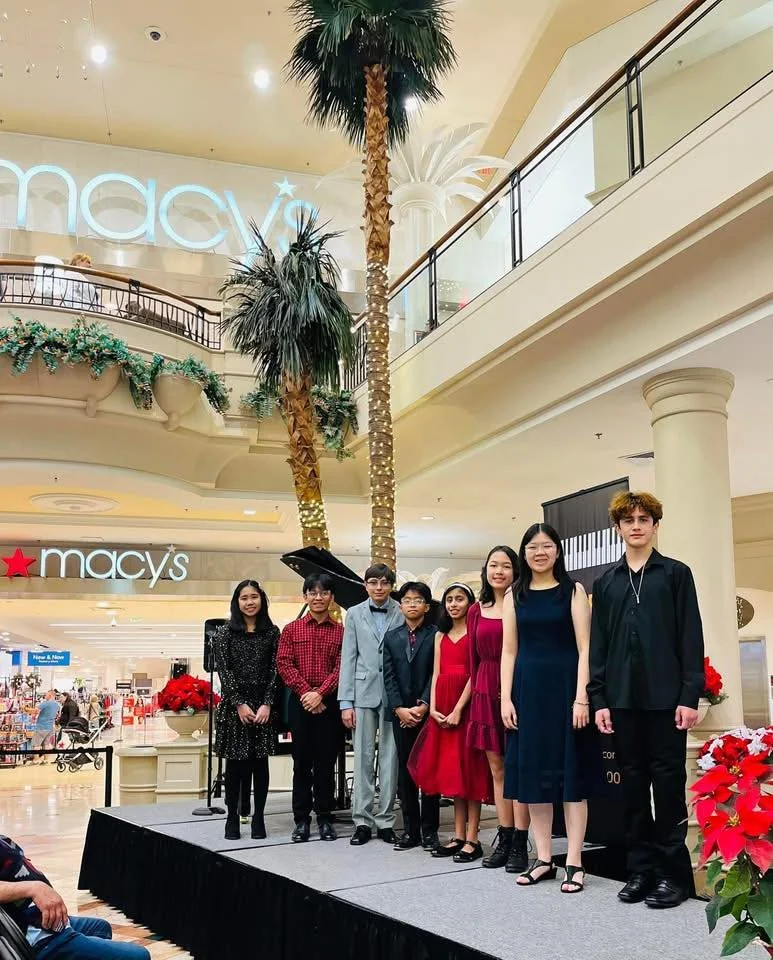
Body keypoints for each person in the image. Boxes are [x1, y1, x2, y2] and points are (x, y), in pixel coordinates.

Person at [588, 491, 704, 909]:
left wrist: (689, 695)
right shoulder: (606, 582)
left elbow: (690, 636)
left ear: (655, 525)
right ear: (618, 527)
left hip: (666, 702)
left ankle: (674, 877)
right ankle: (640, 871)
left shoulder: (676, 574)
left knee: (669, 789)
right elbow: (598, 645)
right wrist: (598, 698)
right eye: (629, 520)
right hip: (621, 701)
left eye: (644, 519)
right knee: (632, 790)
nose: (636, 526)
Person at [502, 523, 602, 892]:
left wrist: (581, 697)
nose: (539, 552)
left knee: (571, 778)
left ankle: (574, 861)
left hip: (566, 691)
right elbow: (508, 651)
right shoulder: (514, 594)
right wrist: (505, 697)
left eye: (546, 546)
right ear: (524, 553)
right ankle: (543, 858)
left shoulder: (572, 591)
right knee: (534, 779)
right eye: (532, 546)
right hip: (527, 692)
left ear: (557, 551)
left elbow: (585, 648)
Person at [409, 583, 493, 862]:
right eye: (449, 600)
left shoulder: (475, 632)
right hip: (442, 706)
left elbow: (475, 673)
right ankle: (458, 835)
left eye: (459, 599)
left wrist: (458, 709)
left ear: (470, 603)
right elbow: (436, 673)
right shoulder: (440, 635)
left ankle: (473, 838)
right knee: (453, 773)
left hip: (467, 707)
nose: (454, 604)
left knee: (471, 772)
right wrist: (433, 707)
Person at [466, 545, 531, 870]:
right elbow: (473, 660)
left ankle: (521, 840)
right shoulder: (476, 610)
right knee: (498, 769)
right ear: (486, 570)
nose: (499, 571)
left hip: (517, 688)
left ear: (516, 571)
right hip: (484, 689)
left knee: (519, 767)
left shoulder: (524, 603)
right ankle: (504, 838)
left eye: (506, 566)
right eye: (494, 565)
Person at [0, 833, 150, 959]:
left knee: (101, 928)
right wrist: (33, 888)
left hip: (36, 918)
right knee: (139, 956)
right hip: (38, 936)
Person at [338, 563, 403, 846]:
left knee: (390, 759)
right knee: (363, 758)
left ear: (391, 586)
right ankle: (362, 821)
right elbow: (348, 658)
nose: (379, 587)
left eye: (384, 582)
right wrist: (345, 701)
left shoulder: (401, 610)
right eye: (373, 582)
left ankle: (386, 820)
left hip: (393, 695)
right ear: (365, 585)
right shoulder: (353, 613)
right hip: (362, 693)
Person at [277, 573, 344, 843]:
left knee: (326, 763)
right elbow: (284, 664)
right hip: (300, 703)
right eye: (313, 593)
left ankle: (325, 818)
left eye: (324, 592)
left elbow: (342, 667)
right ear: (305, 596)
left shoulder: (341, 632)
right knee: (301, 763)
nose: (318, 597)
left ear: (332, 597)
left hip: (329, 704)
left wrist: (320, 694)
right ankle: (301, 820)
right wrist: (307, 693)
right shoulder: (291, 630)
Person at [213, 579, 280, 841]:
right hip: (234, 708)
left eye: (254, 597)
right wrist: (239, 703)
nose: (250, 602)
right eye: (244, 598)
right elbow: (224, 672)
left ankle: (259, 817)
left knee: (260, 765)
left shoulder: (272, 633)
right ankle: (232, 817)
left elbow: (275, 671)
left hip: (263, 707)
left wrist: (267, 703)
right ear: (236, 602)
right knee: (235, 767)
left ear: (262, 599)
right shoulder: (224, 633)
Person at [383, 581, 440, 851]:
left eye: (418, 600)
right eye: (407, 600)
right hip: (401, 715)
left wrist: (425, 704)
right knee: (405, 772)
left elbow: (436, 673)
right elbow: (388, 676)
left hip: (428, 713)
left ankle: (430, 832)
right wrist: (398, 708)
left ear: (427, 607)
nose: (412, 604)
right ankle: (410, 831)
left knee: (429, 769)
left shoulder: (436, 634)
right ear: (400, 606)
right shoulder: (391, 636)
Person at [31, 691, 59, 764]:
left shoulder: (45, 703)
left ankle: (36, 760)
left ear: (50, 695)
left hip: (41, 726)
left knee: (36, 744)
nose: (45, 696)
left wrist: (27, 710)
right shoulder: (56, 704)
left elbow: (36, 711)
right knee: (47, 744)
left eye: (46, 695)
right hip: (50, 726)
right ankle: (46, 760)